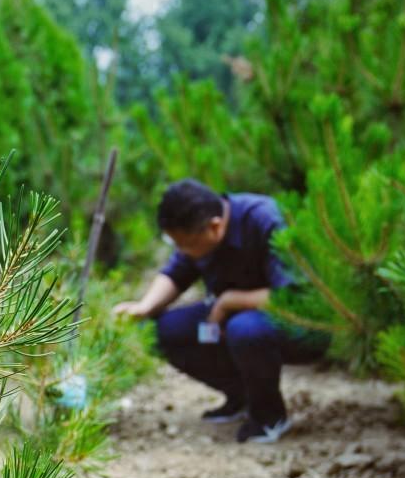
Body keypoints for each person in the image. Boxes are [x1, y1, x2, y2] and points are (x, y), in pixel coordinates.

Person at [114, 179, 328, 443]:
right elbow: (175, 273)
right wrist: (144, 307)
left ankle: (269, 416)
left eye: (186, 245)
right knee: (161, 330)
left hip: (299, 324)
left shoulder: (266, 220)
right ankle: (241, 396)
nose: (182, 252)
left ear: (214, 228)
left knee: (245, 328)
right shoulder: (197, 230)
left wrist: (229, 301)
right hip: (232, 319)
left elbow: (294, 297)